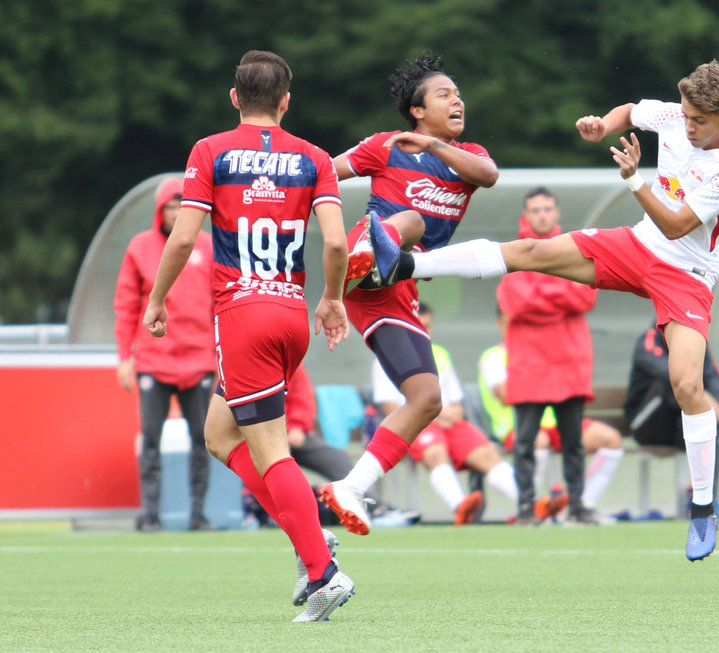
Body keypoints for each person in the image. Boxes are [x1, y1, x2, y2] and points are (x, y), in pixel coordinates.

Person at [366, 60, 719, 560]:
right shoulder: (677, 115)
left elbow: (678, 226)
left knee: (687, 383)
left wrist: (635, 182)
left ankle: (702, 509)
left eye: (700, 120)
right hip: (638, 245)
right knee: (529, 252)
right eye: (685, 115)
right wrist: (602, 124)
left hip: (688, 274)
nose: (688, 126)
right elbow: (632, 111)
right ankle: (407, 267)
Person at [141, 50, 353, 622]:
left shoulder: (209, 151)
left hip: (243, 316)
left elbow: (183, 242)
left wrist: (156, 299)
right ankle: (308, 537)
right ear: (286, 101)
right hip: (290, 316)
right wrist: (331, 299)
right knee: (218, 432)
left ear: (234, 97)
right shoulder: (314, 159)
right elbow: (335, 244)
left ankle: (321, 570)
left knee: (270, 449)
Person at [318, 54, 498, 536]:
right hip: (367, 254)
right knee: (413, 223)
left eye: (458, 94)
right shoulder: (386, 145)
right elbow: (323, 175)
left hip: (394, 290)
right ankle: (357, 260)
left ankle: (351, 487)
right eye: (445, 94)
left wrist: (436, 146)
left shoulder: (467, 155)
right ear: (416, 110)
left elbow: (488, 176)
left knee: (427, 398)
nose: (457, 100)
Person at [493, 187, 620, 525]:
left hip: (568, 360)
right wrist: (559, 295)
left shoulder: (575, 248)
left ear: (557, 214)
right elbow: (515, 302)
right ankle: (526, 510)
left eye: (548, 209)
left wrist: (539, 293)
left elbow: (585, 297)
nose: (543, 215)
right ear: (525, 217)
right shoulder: (511, 254)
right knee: (525, 443)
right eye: (536, 210)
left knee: (574, 441)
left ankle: (577, 506)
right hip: (529, 363)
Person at [114, 177, 216, 532]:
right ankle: (150, 516)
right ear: (160, 209)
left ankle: (199, 514)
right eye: (171, 206)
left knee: (204, 441)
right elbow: (126, 307)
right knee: (152, 439)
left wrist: (222, 352)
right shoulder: (140, 247)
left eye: (183, 205)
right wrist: (125, 357)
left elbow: (220, 303)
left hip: (200, 358)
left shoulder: (207, 246)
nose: (177, 212)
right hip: (154, 361)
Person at [372, 303, 518, 523]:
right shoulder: (386, 357)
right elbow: (390, 408)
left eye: (428, 325)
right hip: (414, 425)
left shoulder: (439, 354)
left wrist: (445, 415)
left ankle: (529, 505)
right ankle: (460, 506)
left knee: (487, 454)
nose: (424, 330)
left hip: (449, 422)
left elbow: (458, 406)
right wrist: (433, 414)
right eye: (419, 324)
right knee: (436, 452)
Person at [478, 307, 624, 523]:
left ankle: (581, 505)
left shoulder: (543, 351)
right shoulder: (493, 357)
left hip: (555, 422)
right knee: (539, 440)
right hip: (514, 427)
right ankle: (534, 506)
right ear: (499, 322)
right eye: (514, 322)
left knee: (610, 438)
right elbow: (505, 393)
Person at [624, 324, 719, 519]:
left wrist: (713, 408)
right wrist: (712, 407)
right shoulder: (650, 338)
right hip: (647, 424)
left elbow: (715, 383)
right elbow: (665, 373)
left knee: (706, 422)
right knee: (676, 382)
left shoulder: (697, 342)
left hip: (677, 423)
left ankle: (708, 501)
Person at [281, 363, 420, 528]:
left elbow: (300, 392)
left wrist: (297, 425)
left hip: (288, 433)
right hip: (254, 438)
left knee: (337, 459)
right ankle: (254, 515)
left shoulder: (285, 353)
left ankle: (374, 509)